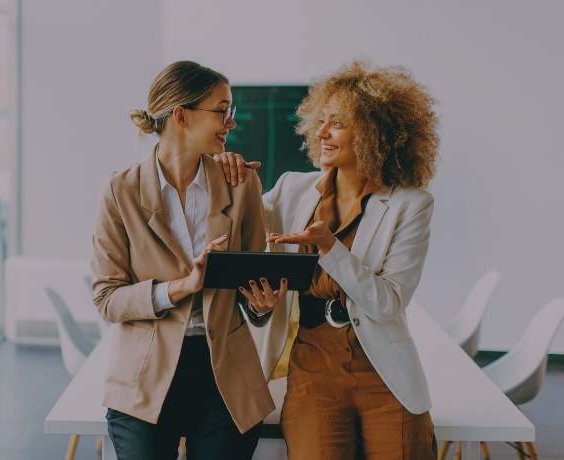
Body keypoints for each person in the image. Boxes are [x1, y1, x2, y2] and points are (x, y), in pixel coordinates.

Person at [217, 61, 440, 459]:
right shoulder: (291, 189)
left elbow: (387, 302)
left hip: (384, 377)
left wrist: (329, 248)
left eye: (336, 123)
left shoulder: (411, 204)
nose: (321, 133)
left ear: (376, 134)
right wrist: (222, 174)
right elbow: (238, 231)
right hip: (312, 376)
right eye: (320, 121)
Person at [90, 60, 287, 460]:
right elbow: (107, 299)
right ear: (181, 115)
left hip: (226, 378)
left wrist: (262, 305)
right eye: (221, 110)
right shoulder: (120, 191)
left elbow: (250, 280)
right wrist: (183, 285)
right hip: (144, 377)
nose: (230, 122)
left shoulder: (241, 182)